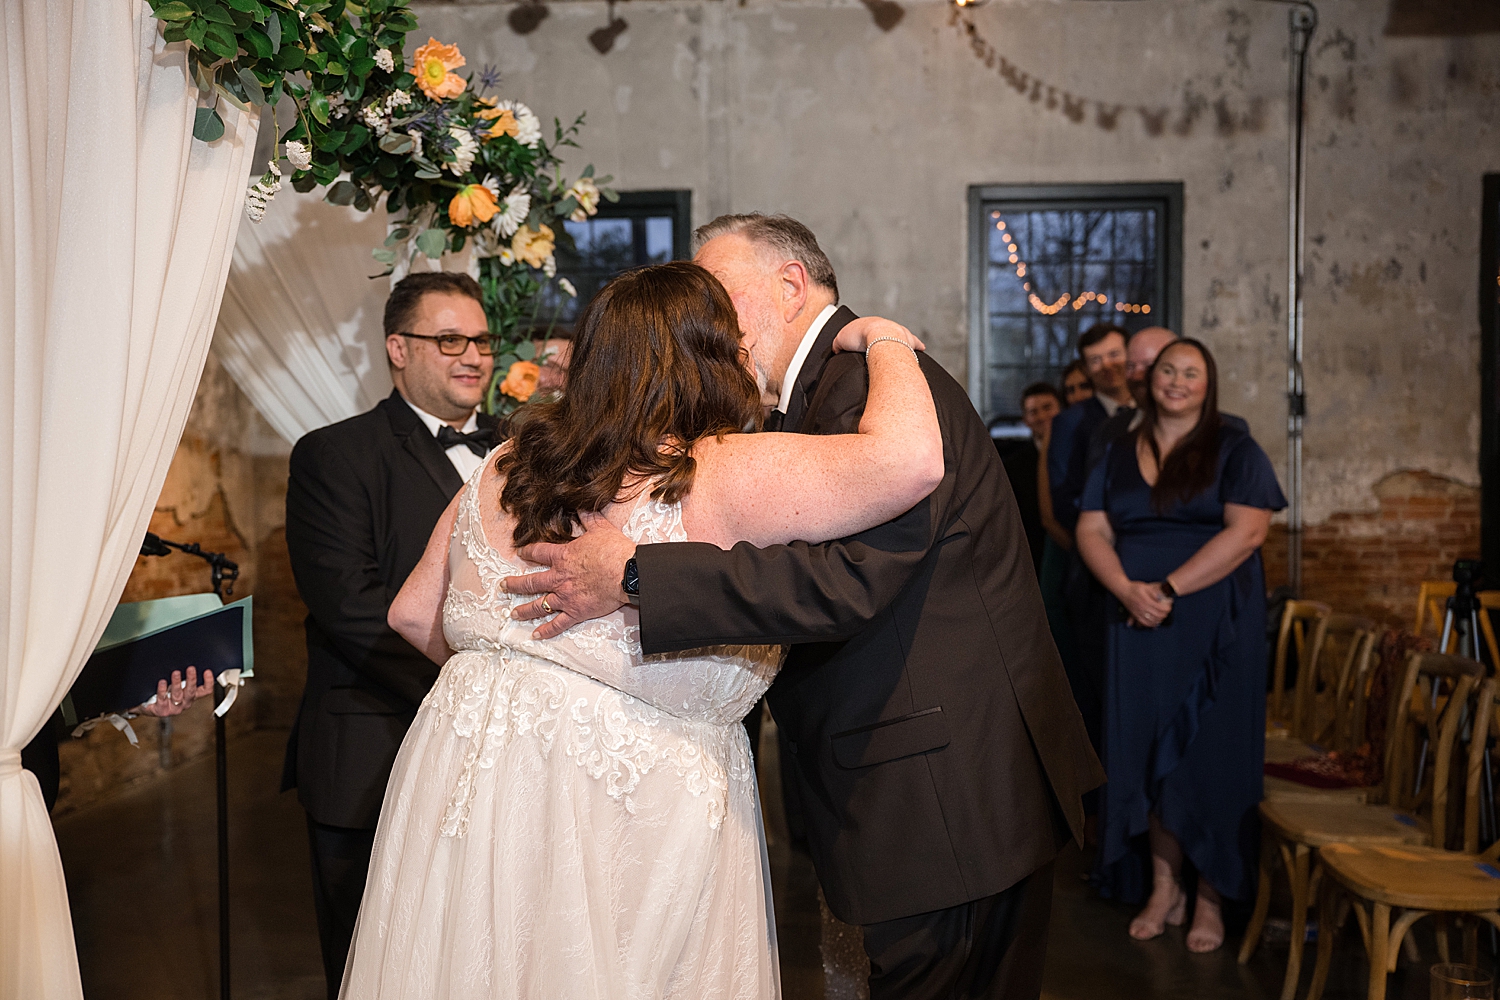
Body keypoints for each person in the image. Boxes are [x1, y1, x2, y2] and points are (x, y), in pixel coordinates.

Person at [504, 214, 1103, 1000]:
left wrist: (641, 576)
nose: (707, 326)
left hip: (944, 789)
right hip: (926, 777)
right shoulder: (820, 391)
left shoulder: (864, 388)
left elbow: (852, 579)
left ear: (791, 284)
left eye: (718, 297)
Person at [343, 260, 942, 998]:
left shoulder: (505, 462)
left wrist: (523, 684)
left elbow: (411, 612)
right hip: (627, 801)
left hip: (465, 771)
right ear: (710, 357)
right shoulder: (715, 469)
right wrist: (886, 340)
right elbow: (911, 462)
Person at [282, 271, 501, 999]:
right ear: (398, 349)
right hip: (372, 749)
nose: (472, 356)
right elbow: (350, 606)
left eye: (481, 340)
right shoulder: (334, 455)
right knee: (367, 964)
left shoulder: (524, 455)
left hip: (502, 761)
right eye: (449, 340)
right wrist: (477, 689)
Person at [1075, 338, 1285, 953]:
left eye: (1191, 373)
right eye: (1168, 369)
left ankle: (1212, 898)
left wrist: (1166, 587)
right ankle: (1164, 887)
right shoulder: (1117, 449)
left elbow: (1249, 532)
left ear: (1208, 384)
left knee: (1210, 755)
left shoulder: (1236, 448)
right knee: (1145, 750)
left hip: (1214, 621)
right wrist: (1126, 590)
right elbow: (1092, 527)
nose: (1176, 381)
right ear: (1150, 379)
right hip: (1136, 622)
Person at [998, 382, 1063, 574]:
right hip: (1032, 559)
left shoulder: (1080, 455)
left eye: (1047, 408)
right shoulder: (1012, 466)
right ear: (1026, 420)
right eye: (1034, 412)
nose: (1042, 416)